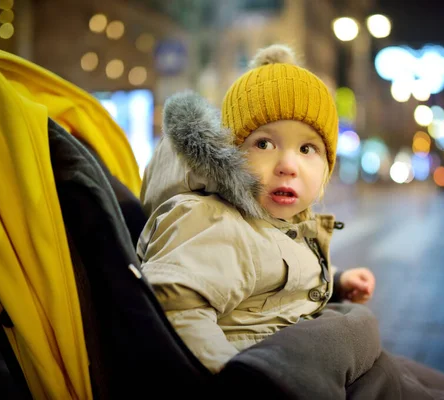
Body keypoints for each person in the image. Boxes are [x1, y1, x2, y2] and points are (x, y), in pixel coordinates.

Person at [136, 44, 376, 374]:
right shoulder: (211, 220)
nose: (288, 165)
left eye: (307, 148)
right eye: (264, 143)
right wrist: (236, 378)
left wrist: (337, 279)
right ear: (230, 154)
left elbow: (283, 274)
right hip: (265, 373)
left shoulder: (285, 222)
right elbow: (177, 307)